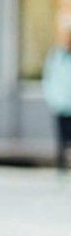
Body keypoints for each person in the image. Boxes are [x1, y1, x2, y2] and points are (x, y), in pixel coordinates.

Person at [43, 18, 71, 176]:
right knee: (61, 139)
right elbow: (49, 78)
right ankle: (61, 168)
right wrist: (52, 97)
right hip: (60, 103)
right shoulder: (56, 55)